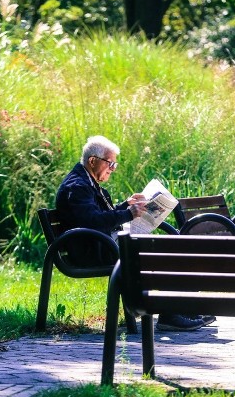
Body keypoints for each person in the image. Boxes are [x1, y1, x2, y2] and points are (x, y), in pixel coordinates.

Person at [55, 135, 210, 332]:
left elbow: (97, 216)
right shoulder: (76, 187)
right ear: (92, 161)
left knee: (170, 246)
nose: (112, 169)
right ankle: (171, 314)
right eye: (109, 164)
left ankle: (180, 309)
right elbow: (92, 222)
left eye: (114, 164)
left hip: (102, 245)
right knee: (161, 249)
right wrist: (128, 214)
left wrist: (125, 205)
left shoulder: (87, 183)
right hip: (93, 252)